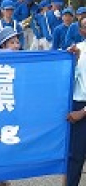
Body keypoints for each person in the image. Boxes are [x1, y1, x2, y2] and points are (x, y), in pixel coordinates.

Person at [65, 16, 86, 186]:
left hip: (83, 111)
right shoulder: (75, 50)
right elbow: (66, 82)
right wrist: (75, 61)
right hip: (79, 105)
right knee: (75, 158)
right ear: (81, 31)